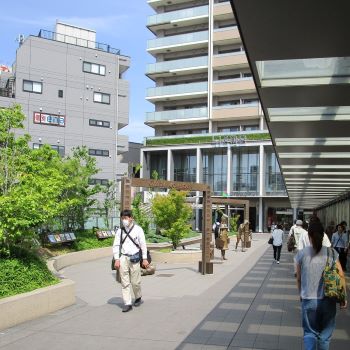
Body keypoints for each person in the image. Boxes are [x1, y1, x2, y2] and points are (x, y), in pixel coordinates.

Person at [295, 221, 347, 350]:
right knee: (324, 336)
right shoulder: (332, 253)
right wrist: (343, 297)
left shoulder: (301, 254)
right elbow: (341, 275)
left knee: (309, 333)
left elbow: (299, 279)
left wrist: (301, 294)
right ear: (323, 235)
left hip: (308, 300)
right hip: (328, 300)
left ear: (309, 235)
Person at [112, 209, 149, 313]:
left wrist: (145, 259)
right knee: (124, 282)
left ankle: (138, 297)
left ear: (131, 218)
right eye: (122, 218)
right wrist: (116, 259)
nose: (124, 220)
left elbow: (143, 245)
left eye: (126, 218)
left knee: (135, 282)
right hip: (123, 257)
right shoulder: (120, 231)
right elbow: (116, 245)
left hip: (135, 257)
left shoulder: (138, 229)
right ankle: (127, 303)